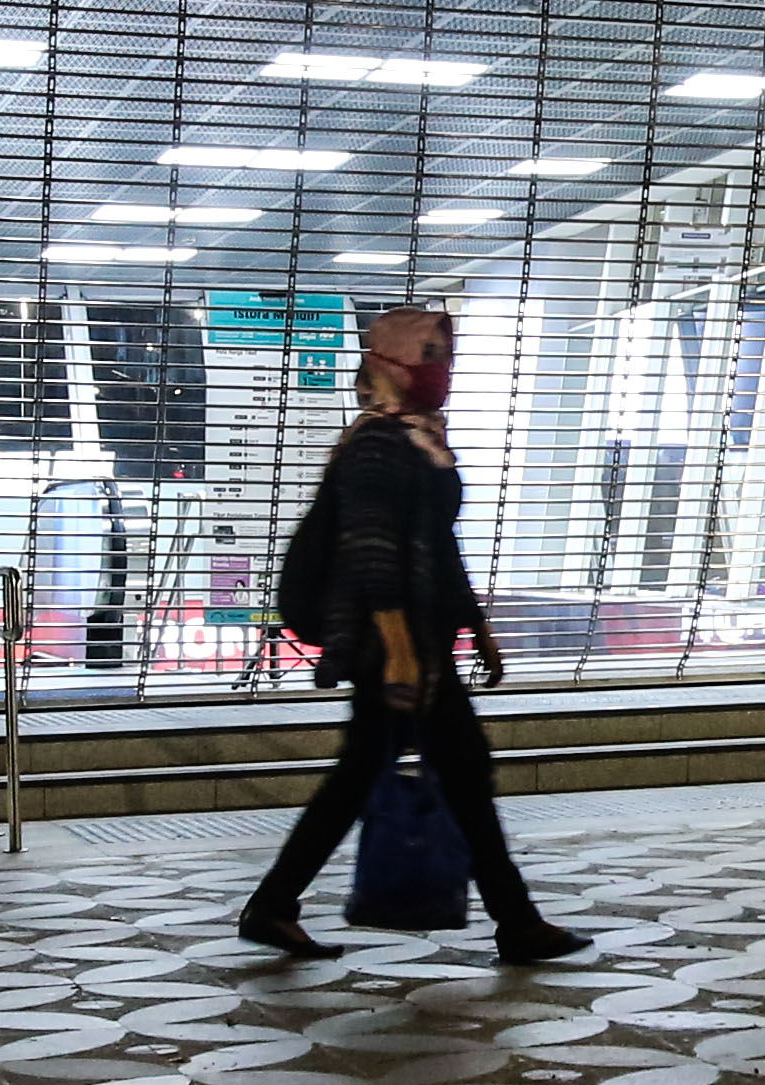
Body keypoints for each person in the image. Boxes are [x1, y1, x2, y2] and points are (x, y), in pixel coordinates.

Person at [238, 306, 590, 965]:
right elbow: (370, 550)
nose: (440, 369)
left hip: (421, 641)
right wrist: (400, 648)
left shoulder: (420, 438)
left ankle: (275, 904)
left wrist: (477, 626)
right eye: (426, 354)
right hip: (390, 644)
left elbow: (437, 544)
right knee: (441, 773)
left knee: (419, 773)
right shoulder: (375, 444)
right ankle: (514, 920)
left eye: (445, 355)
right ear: (386, 362)